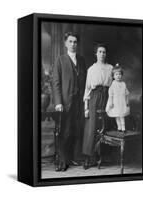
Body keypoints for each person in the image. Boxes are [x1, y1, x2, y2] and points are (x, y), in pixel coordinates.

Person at [52, 32, 86, 171]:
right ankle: (62, 161)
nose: (73, 44)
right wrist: (58, 102)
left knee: (77, 130)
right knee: (64, 132)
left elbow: (85, 82)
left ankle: (75, 158)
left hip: (79, 102)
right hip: (65, 103)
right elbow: (56, 83)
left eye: (75, 42)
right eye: (70, 42)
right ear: (66, 43)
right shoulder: (60, 60)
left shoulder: (82, 60)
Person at [82, 44, 113, 169]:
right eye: (100, 52)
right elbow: (87, 89)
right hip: (95, 97)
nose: (102, 54)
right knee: (91, 126)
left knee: (106, 125)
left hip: (107, 96)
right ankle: (88, 158)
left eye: (104, 52)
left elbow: (114, 85)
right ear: (96, 54)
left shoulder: (111, 68)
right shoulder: (91, 69)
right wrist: (86, 107)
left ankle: (104, 156)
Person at [105, 64, 130, 133]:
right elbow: (111, 95)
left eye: (119, 74)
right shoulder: (113, 84)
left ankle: (123, 128)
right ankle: (119, 127)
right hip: (115, 102)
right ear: (113, 76)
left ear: (121, 75)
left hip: (122, 102)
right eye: (116, 74)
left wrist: (127, 101)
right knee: (117, 115)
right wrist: (111, 103)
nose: (118, 76)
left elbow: (127, 93)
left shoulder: (123, 84)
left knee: (122, 115)